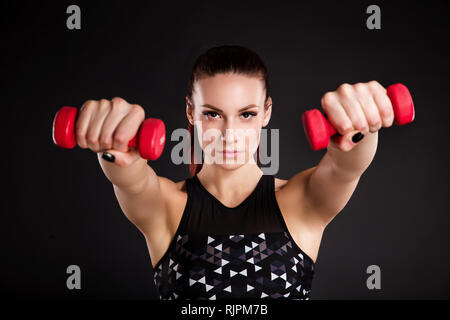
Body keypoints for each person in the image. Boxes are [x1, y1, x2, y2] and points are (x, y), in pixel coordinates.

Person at [75, 45, 394, 299]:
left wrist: (362, 125)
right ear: (191, 110)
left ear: (266, 112)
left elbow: (346, 165)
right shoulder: (164, 205)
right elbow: (129, 177)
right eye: (213, 114)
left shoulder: (301, 201)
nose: (229, 133)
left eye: (246, 114)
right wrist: (113, 144)